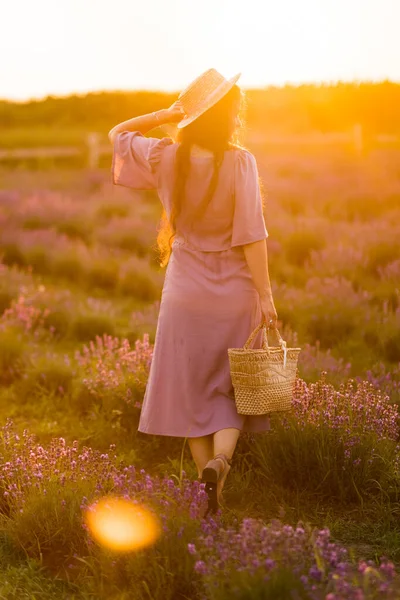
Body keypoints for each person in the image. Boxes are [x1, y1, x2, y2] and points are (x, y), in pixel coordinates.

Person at [109, 68, 278, 516]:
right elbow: (251, 234)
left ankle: (213, 495)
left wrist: (164, 114)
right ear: (227, 115)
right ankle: (221, 463)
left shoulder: (166, 156)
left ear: (192, 115)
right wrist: (265, 295)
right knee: (232, 389)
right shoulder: (242, 162)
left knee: (191, 391)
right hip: (235, 290)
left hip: (185, 289)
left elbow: (118, 133)